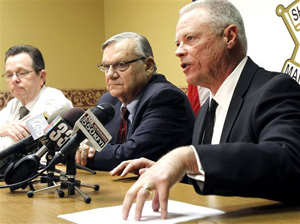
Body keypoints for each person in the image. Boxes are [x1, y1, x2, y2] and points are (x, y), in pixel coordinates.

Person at [109, 0, 300, 221]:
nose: (178, 52)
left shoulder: (275, 89)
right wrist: (174, 172)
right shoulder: (206, 110)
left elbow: (290, 161)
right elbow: (221, 175)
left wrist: (188, 158)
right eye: (178, 43)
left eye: (190, 39)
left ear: (229, 37)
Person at [75, 32, 195, 171]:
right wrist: (80, 148)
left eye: (121, 65)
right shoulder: (108, 101)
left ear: (148, 66)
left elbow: (129, 155)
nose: (111, 75)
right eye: (106, 67)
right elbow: (91, 145)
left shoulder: (166, 98)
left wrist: (78, 156)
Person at [0, 45, 73, 150]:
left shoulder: (55, 100)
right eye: (9, 75)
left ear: (42, 77)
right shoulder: (14, 104)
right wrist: (3, 129)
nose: (14, 79)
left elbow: (15, 145)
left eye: (22, 73)